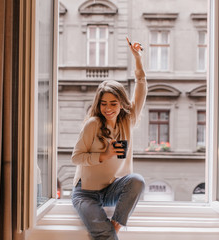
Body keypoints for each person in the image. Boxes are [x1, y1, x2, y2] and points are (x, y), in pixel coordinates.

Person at [71, 38, 147, 240]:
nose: (108, 108)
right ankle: (110, 232)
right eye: (104, 103)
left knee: (137, 181)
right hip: (85, 193)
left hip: (112, 190)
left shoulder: (128, 120)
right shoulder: (93, 124)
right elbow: (76, 158)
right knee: (104, 235)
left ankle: (116, 226)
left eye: (113, 103)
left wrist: (137, 59)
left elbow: (141, 85)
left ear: (122, 103)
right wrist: (104, 155)